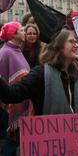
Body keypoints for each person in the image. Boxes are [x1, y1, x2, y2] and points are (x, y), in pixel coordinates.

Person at [0, 29, 78, 117]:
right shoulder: (41, 74)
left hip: (77, 133)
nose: (77, 45)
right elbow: (11, 95)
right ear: (58, 46)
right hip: (49, 134)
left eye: (76, 42)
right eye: (71, 41)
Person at [0, 21, 32, 155]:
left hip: (23, 105)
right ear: (13, 35)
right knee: (11, 143)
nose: (24, 32)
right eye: (21, 30)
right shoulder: (5, 53)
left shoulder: (17, 51)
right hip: (10, 110)